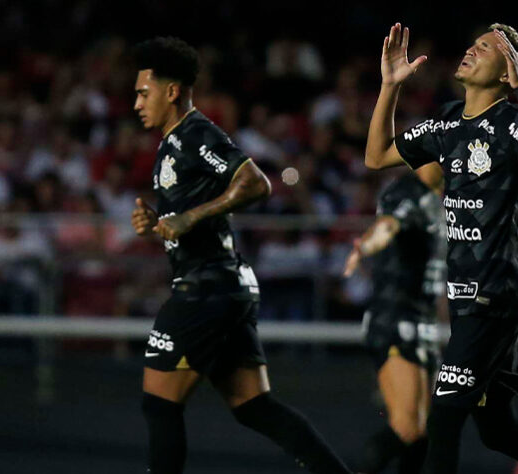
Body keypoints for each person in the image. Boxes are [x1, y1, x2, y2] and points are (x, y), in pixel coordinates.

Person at [363, 23, 518, 473]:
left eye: (486, 49)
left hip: (493, 293)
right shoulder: (448, 121)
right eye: (474, 43)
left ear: (507, 71)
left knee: (444, 419)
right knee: (498, 430)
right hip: (467, 298)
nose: (471, 50)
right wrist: (390, 86)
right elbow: (377, 156)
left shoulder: (511, 123)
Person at [130, 37, 351, 474]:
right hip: (224, 286)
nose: (136, 103)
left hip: (204, 290)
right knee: (254, 407)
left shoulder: (196, 133)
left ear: (171, 91)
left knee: (159, 406)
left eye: (142, 92)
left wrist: (189, 217)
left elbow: (255, 183)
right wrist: (159, 223)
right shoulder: (169, 144)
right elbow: (189, 220)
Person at [342, 172, 445, 473]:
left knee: (423, 433)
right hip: (396, 316)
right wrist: (368, 245)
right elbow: (386, 226)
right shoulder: (407, 191)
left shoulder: (440, 201)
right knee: (405, 428)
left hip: (422, 320)